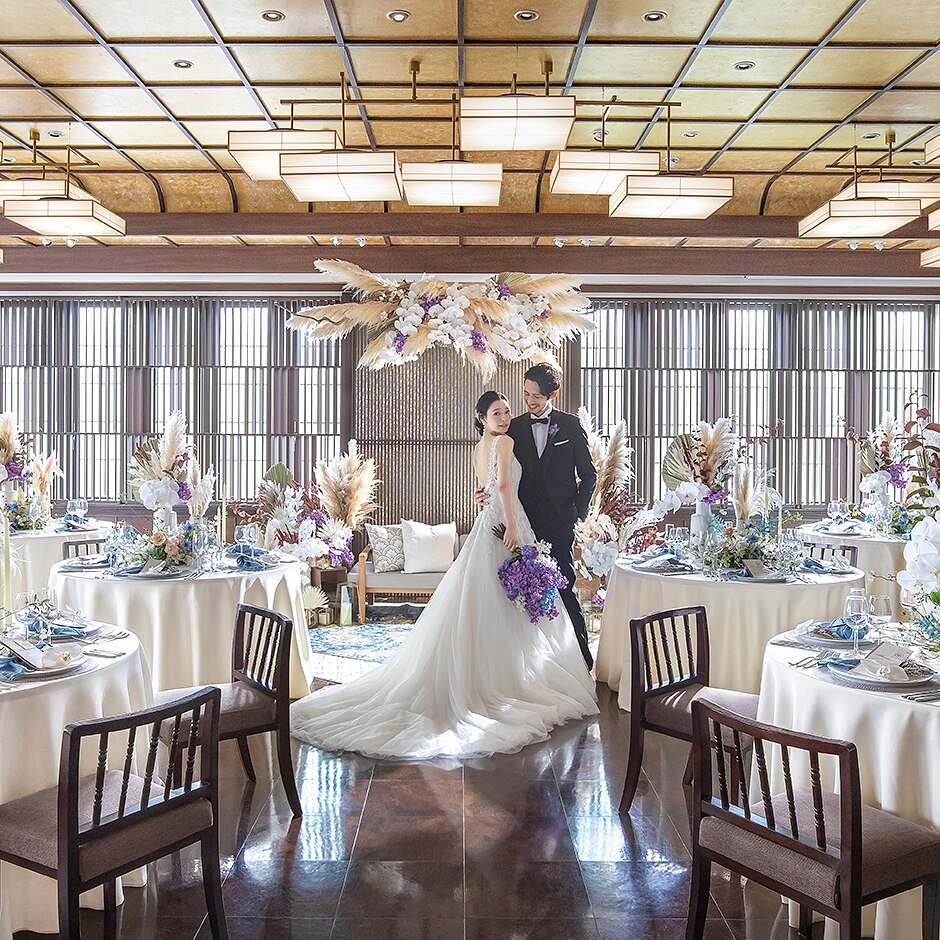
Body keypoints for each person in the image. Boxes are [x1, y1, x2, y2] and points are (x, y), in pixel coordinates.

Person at [289, 391, 598, 760]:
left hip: (492, 522)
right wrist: (513, 525)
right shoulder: (505, 440)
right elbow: (500, 488)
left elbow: (486, 489)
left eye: (507, 411)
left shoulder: (479, 446)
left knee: (497, 600)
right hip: (508, 524)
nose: (505, 416)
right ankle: (506, 680)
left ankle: (502, 673)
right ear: (482, 417)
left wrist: (496, 508)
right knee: (510, 600)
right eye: (497, 412)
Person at [478, 363, 596, 670]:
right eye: (526, 394)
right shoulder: (512, 427)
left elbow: (589, 475)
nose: (529, 401)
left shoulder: (570, 426)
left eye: (536, 396)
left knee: (565, 588)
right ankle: (534, 667)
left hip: (559, 524)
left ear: (552, 394)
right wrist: (483, 494)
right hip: (523, 525)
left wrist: (576, 515)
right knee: (523, 598)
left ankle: (583, 664)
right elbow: (497, 473)